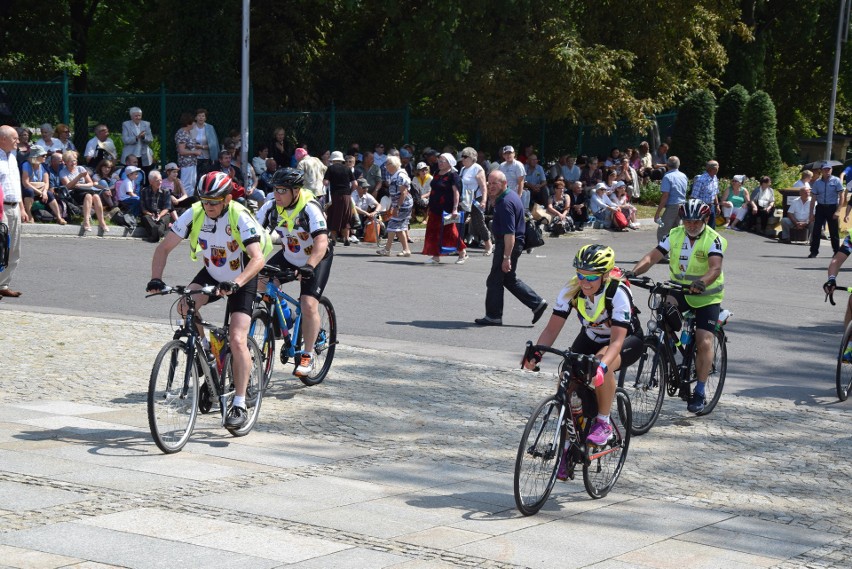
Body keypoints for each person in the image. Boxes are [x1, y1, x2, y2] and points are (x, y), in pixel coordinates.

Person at [148, 172, 270, 427]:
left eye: (214, 202)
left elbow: (258, 258)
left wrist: (236, 283)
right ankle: (207, 351)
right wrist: (156, 278)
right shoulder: (195, 213)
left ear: (227, 199)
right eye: (205, 201)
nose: (208, 206)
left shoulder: (239, 215)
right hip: (213, 272)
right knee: (184, 305)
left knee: (237, 340)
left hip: (241, 277)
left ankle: (239, 403)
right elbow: (163, 247)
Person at [522, 244, 644, 447]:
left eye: (591, 277)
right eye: (581, 275)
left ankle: (604, 423)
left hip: (625, 340)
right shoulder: (571, 290)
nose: (584, 282)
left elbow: (616, 341)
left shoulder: (618, 292)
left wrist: (603, 366)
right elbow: (551, 330)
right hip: (591, 336)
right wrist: (536, 353)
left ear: (604, 275)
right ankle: (569, 445)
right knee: (567, 377)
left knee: (599, 366)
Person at [629, 199, 727, 413]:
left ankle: (699, 391)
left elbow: (715, 268)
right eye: (687, 221)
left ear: (705, 219)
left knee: (704, 341)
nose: (691, 225)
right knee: (663, 315)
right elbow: (652, 257)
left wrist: (702, 282)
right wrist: (633, 273)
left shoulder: (714, 239)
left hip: (706, 296)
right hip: (680, 290)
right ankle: (670, 350)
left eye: (695, 222)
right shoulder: (674, 234)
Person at [256, 168, 331, 377]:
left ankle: (307, 353)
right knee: (261, 281)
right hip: (290, 255)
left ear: (296, 191)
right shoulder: (271, 206)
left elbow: (321, 241)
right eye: (275, 189)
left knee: (308, 304)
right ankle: (287, 319)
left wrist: (309, 266)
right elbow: (252, 234)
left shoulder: (310, 208)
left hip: (316, 258)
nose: (276, 195)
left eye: (282, 190)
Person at [474, 170, 547, 326]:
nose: (491, 186)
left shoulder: (506, 203)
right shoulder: (508, 196)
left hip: (508, 245)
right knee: (508, 279)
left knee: (495, 280)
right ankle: (537, 303)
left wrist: (506, 257)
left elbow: (509, 234)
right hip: (511, 244)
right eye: (489, 183)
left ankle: (493, 316)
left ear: (504, 183)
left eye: (495, 183)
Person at [422, 153, 466, 264]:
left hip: (447, 209)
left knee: (450, 231)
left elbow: (456, 193)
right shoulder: (437, 172)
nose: (440, 163)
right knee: (433, 231)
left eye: (443, 161)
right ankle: (435, 256)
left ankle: (462, 252)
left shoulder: (453, 175)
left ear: (449, 163)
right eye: (439, 161)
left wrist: (455, 209)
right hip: (434, 208)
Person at [0, 125, 27, 298]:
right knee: (1, 247)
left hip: (15, 207)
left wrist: (22, 208)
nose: (18, 141)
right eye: (15, 138)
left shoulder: (13, 157)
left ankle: (3, 284)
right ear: (3, 139)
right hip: (1, 208)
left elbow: (16, 184)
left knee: (14, 248)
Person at [60, 150, 108, 232]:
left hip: (84, 190)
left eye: (74, 160)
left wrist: (80, 185)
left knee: (96, 196)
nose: (73, 163)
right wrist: (78, 177)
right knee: (89, 196)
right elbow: (68, 186)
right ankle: (86, 221)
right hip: (73, 193)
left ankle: (102, 222)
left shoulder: (81, 168)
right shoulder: (63, 172)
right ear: (65, 162)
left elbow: (90, 183)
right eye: (70, 161)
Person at [376, 155, 414, 257]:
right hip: (400, 204)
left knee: (393, 225)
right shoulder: (395, 175)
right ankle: (405, 250)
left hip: (403, 204)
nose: (385, 167)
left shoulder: (400, 176)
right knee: (399, 227)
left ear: (393, 165)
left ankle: (388, 249)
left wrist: (398, 207)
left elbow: (404, 193)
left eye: (387, 164)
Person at [459, 147, 492, 255]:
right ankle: (459, 247)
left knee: (478, 222)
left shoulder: (477, 169)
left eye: (465, 157)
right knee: (460, 222)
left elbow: (483, 186)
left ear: (472, 158)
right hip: (465, 199)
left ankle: (488, 245)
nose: (462, 159)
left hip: (475, 199)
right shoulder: (463, 169)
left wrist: (483, 200)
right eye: (462, 156)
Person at [21, 145, 65, 225]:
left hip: (41, 190)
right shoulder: (26, 165)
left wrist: (44, 192)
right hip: (29, 189)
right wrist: (40, 192)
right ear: (36, 156)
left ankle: (59, 217)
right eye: (43, 155)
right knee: (29, 191)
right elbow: (25, 183)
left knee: (49, 194)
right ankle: (29, 215)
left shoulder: (44, 166)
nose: (45, 157)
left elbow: (46, 182)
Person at [809, 161, 844, 258]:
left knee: (834, 231)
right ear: (822, 171)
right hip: (820, 208)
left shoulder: (836, 181)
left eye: (829, 169)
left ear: (831, 170)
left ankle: (836, 252)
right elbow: (813, 199)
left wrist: (838, 211)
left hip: (832, 207)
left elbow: (841, 196)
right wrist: (811, 213)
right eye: (825, 169)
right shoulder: (817, 183)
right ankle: (814, 251)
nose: (827, 171)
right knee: (816, 230)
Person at [323, 151, 357, 246]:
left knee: (334, 215)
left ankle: (333, 239)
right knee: (346, 216)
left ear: (332, 160)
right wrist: (349, 192)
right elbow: (355, 184)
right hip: (346, 196)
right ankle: (346, 238)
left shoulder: (330, 169)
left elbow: (325, 182)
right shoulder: (347, 169)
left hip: (335, 195)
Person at [653, 156, 688, 242]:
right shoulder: (683, 176)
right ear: (678, 165)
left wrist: (657, 213)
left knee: (662, 231)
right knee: (675, 230)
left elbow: (665, 196)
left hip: (673, 205)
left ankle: (663, 255)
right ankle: (675, 253)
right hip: (682, 205)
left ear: (667, 165)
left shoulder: (668, 176)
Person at [140, 170, 173, 243]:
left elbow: (167, 208)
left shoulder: (166, 191)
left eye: (161, 180)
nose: (160, 182)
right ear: (150, 181)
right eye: (157, 180)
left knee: (164, 220)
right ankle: (158, 233)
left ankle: (155, 234)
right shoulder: (144, 191)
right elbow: (143, 209)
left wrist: (159, 215)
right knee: (145, 218)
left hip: (162, 215)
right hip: (150, 215)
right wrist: (150, 214)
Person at [120, 107, 155, 175]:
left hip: (144, 154)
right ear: (131, 116)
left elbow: (150, 139)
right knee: (130, 173)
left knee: (145, 173)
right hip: (131, 153)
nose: (138, 117)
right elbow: (125, 140)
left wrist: (144, 137)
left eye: (139, 115)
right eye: (136, 116)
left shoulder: (146, 124)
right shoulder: (126, 124)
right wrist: (136, 138)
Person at [175, 112, 201, 193]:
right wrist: (195, 152)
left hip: (193, 162)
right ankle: (185, 202)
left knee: (192, 184)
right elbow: (181, 150)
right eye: (193, 122)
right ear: (188, 122)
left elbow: (194, 144)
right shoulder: (181, 133)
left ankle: (190, 202)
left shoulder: (191, 131)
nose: (194, 123)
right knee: (186, 184)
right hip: (186, 163)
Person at [691, 160, 720, 229]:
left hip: (711, 206)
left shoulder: (715, 178)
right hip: (701, 207)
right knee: (701, 228)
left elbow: (715, 193)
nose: (719, 168)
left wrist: (717, 205)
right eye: (718, 167)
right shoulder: (701, 180)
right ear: (714, 169)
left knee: (711, 228)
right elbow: (694, 196)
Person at [192, 108, 219, 178]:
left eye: (203, 116)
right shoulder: (193, 128)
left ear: (205, 118)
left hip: (207, 157)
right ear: (195, 117)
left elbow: (213, 145)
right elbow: (191, 142)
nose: (201, 118)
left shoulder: (209, 128)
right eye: (199, 116)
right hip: (195, 157)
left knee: (205, 177)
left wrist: (202, 147)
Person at [524, 154, 550, 223]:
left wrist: (539, 186)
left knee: (545, 189)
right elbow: (523, 181)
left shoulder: (539, 168)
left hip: (538, 188)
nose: (535, 161)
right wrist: (532, 186)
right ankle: (528, 212)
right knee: (526, 191)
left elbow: (544, 181)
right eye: (533, 160)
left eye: (536, 159)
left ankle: (546, 209)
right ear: (528, 161)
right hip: (528, 188)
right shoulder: (524, 168)